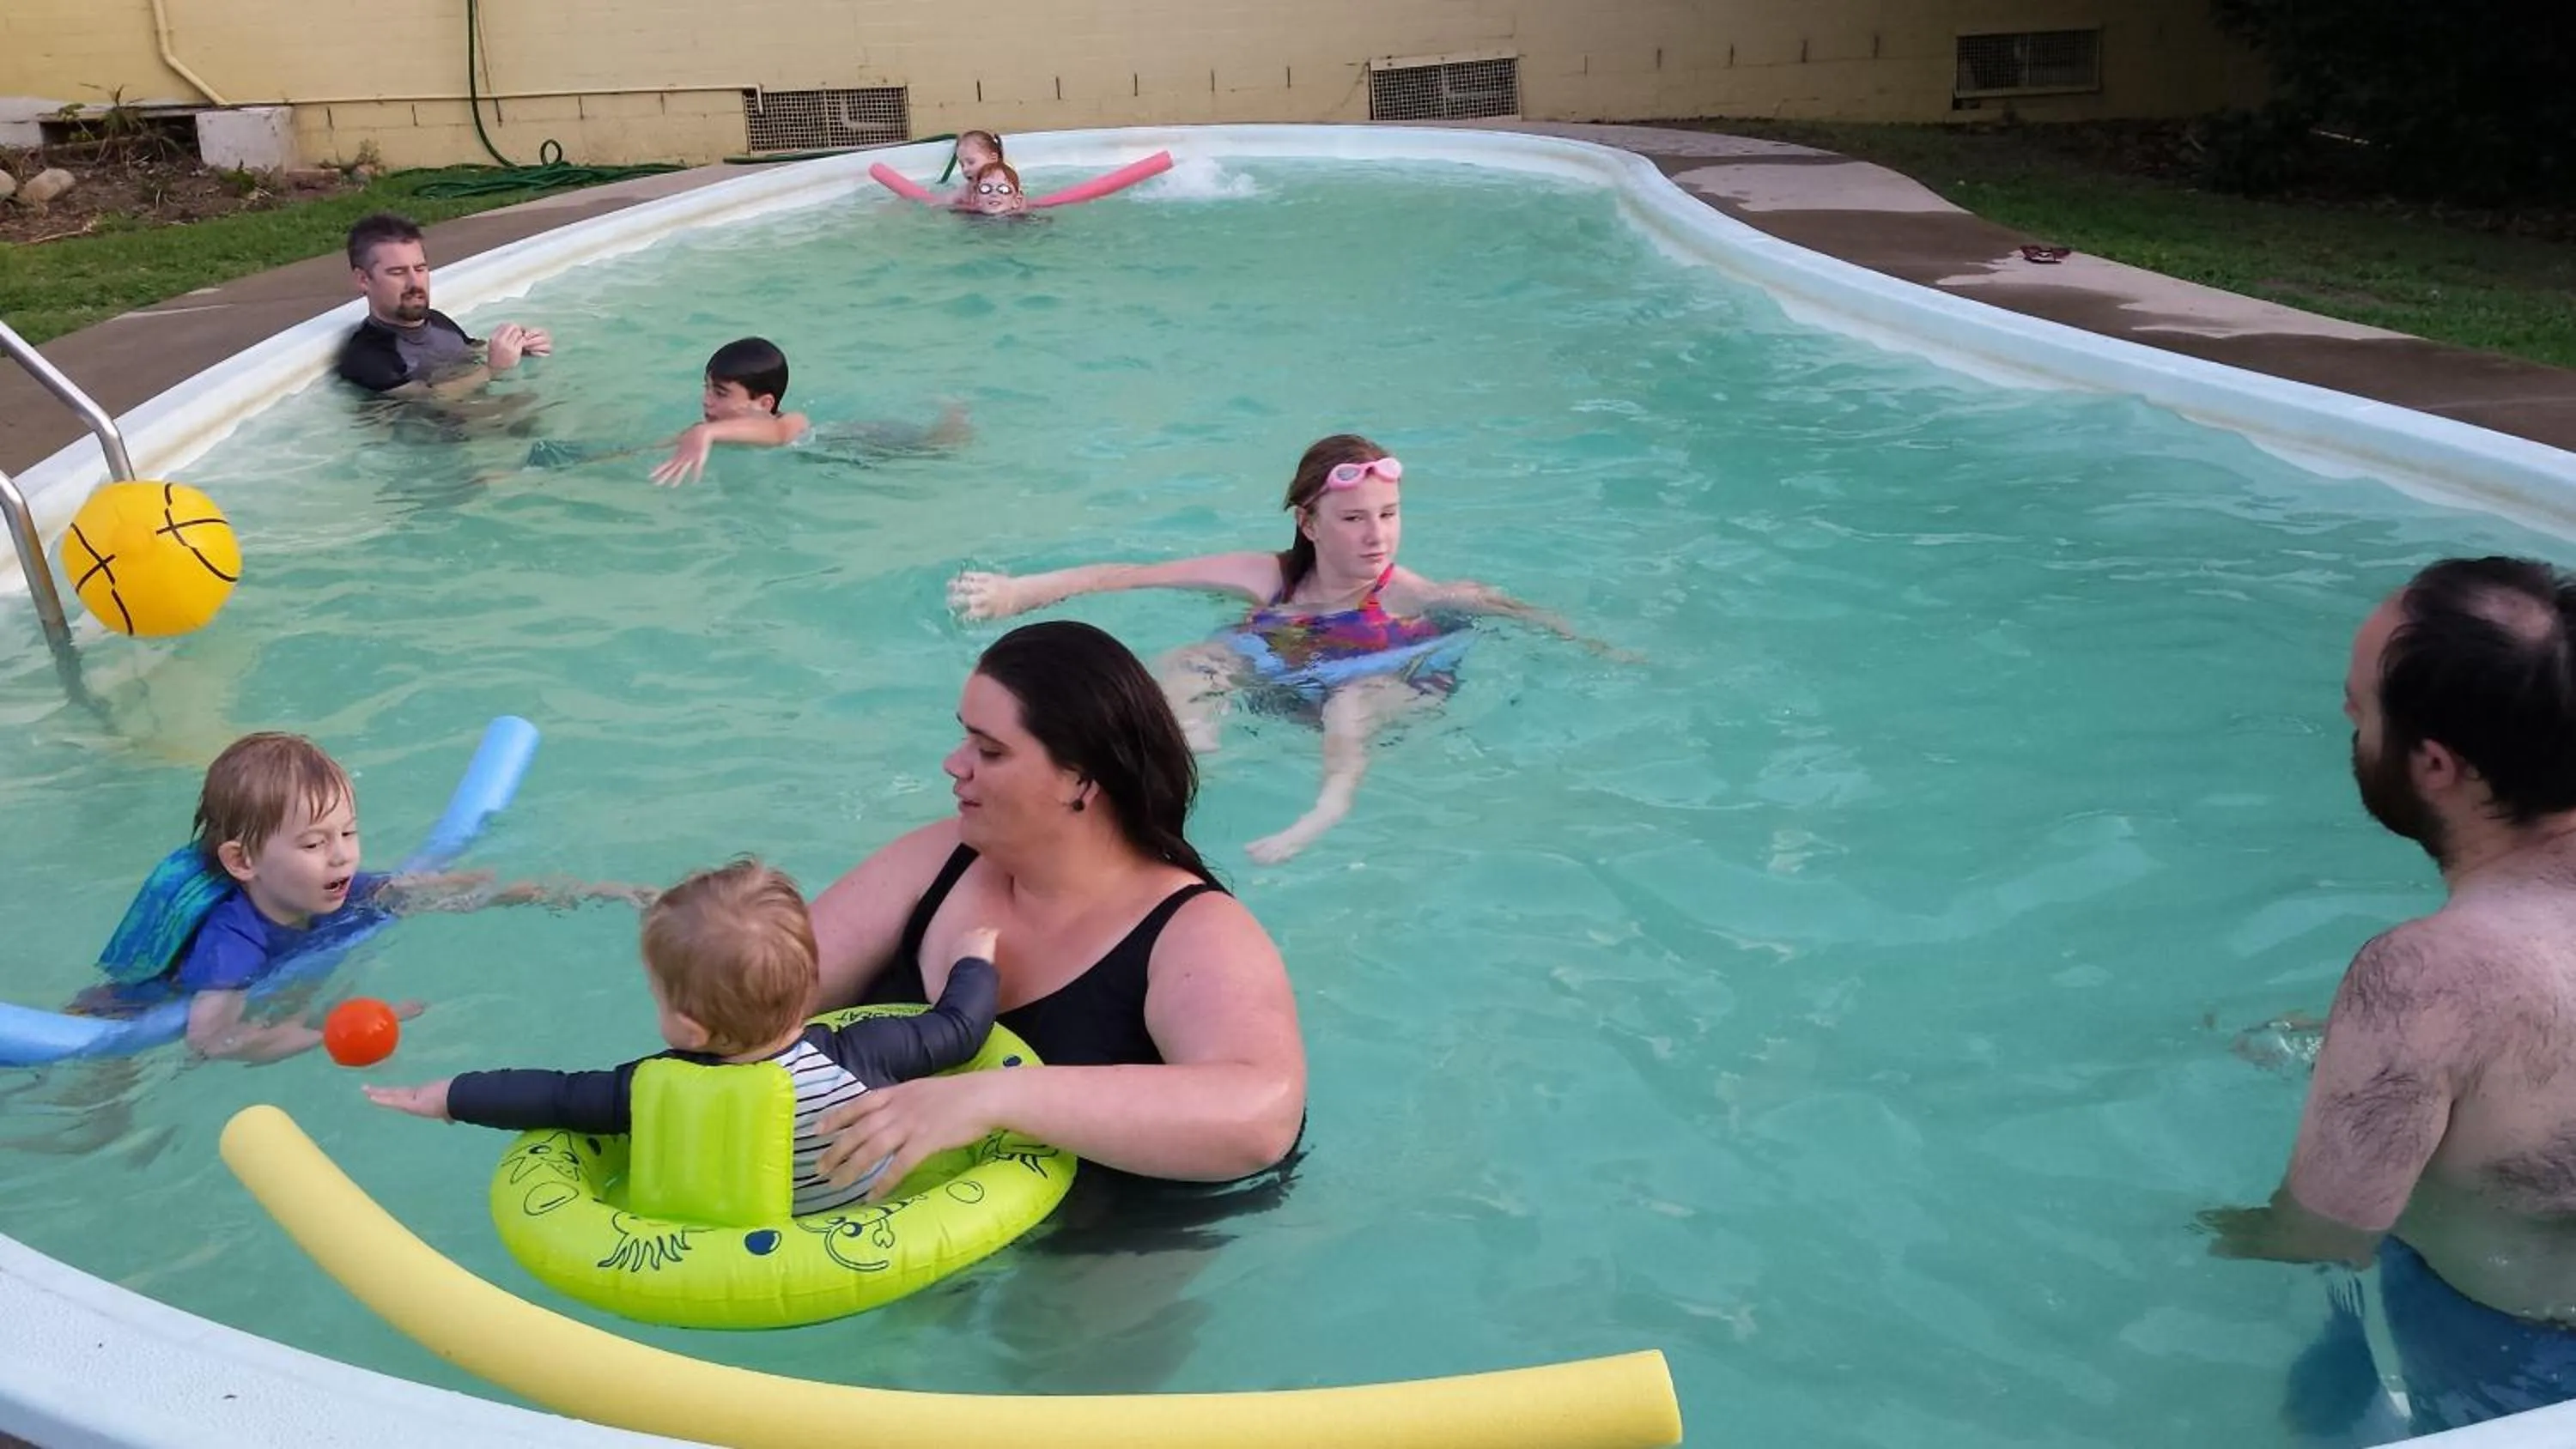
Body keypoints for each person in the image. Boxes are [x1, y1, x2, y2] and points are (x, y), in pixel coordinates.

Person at [2202, 556, 2576, 1434]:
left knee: (2323, 1410)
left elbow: (2320, 1235)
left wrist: (2193, 1233)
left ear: (2435, 763)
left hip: (2512, 1366)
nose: (2347, 720)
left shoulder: (2424, 981)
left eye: (2360, 707)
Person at [796, 619, 1306, 1198]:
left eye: (990, 751)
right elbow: (758, 992)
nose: (955, 764)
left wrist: (990, 1099)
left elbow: (1262, 1117)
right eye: (966, 738)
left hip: (1104, 1239)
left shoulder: (1195, 932)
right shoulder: (939, 861)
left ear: (1080, 781)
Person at [947, 433, 1624, 862]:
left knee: (1351, 702)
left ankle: (1326, 809)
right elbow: (1129, 575)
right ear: (1309, 522)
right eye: (1353, 518)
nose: (1377, 536)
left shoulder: (1413, 596)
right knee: (1195, 660)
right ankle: (1183, 764)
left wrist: (1598, 648)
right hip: (1285, 680)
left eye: (1389, 515)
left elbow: (1518, 614)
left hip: (1385, 682)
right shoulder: (1267, 578)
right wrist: (1020, 591)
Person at [365, 858, 1000, 1216]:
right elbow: (960, 1029)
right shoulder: (866, 1053)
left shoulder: (654, 1089)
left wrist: (450, 1095)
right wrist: (973, 960)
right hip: (870, 1226)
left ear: (690, 1028)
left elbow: (555, 1096)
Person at [70, 731, 641, 1063]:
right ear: (244, 861)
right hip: (123, 1014)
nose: (341, 856)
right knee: (102, 1116)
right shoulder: (232, 946)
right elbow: (213, 1041)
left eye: (347, 832)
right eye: (314, 843)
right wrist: (327, 1033)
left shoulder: (346, 890)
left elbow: (464, 896)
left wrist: (591, 891)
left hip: (274, 977)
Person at [647, 337, 972, 487]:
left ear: (764, 404)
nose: (706, 401)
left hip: (878, 446)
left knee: (945, 445)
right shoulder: (705, 432)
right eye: (706, 388)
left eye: (720, 393)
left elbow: (777, 435)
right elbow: (654, 450)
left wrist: (705, 432)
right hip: (842, 465)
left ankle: (955, 410)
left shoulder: (790, 422)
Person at [335, 212, 551, 397]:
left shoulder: (437, 321)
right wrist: (493, 370)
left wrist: (520, 345)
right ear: (363, 279)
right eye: (397, 272)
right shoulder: (367, 358)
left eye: (420, 269)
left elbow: (476, 350)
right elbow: (430, 399)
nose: (415, 282)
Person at [956, 161, 1030, 218]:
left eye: (1003, 189)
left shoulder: (1024, 221)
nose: (994, 194)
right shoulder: (967, 217)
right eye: (985, 189)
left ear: (1016, 201)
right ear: (976, 199)